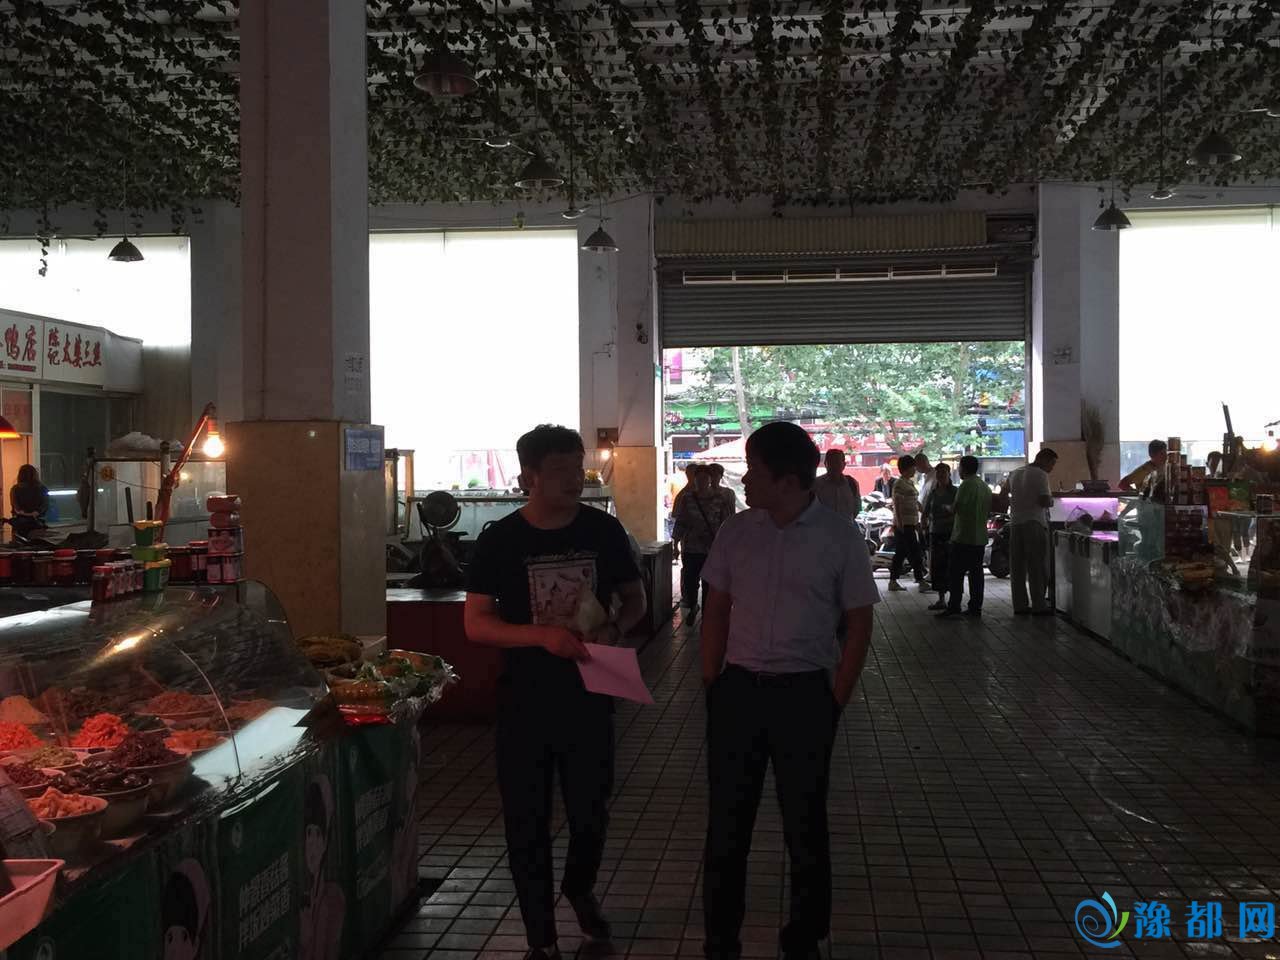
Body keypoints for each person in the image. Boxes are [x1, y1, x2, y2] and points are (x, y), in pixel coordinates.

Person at [464, 424, 647, 960]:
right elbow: (477, 623)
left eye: (578, 468)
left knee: (591, 812)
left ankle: (579, 886)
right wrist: (541, 636)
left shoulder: (603, 531)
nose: (574, 480)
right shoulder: (500, 540)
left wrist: (615, 628)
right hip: (524, 701)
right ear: (529, 477)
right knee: (527, 819)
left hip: (591, 696)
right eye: (561, 471)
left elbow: (635, 599)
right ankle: (540, 936)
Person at [699, 421, 878, 960]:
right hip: (739, 693)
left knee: (805, 824)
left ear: (786, 479)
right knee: (727, 824)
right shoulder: (736, 532)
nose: (745, 479)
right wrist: (712, 683)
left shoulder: (839, 537)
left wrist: (835, 699)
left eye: (754, 470)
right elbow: (715, 610)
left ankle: (804, 935)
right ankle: (720, 938)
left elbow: (859, 623)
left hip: (805, 696)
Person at [672, 462, 734, 614]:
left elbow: (726, 522)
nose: (701, 482)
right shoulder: (687, 498)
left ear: (710, 480)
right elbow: (681, 520)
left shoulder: (720, 499)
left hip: (712, 549)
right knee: (690, 581)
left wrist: (727, 546)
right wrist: (675, 543)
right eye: (698, 479)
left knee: (709, 583)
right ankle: (693, 604)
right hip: (691, 548)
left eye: (705, 478)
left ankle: (706, 615)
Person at [938, 456, 992, 619]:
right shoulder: (984, 486)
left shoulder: (966, 485)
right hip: (980, 537)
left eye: (960, 467)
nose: (958, 470)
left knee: (956, 574)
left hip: (963, 536)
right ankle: (975, 608)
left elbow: (956, 508)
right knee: (976, 575)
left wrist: (945, 508)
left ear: (964, 468)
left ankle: (954, 606)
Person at [1008, 448, 1058, 615]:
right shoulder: (1041, 474)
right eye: (1052, 463)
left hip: (1015, 523)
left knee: (1017, 567)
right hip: (1034, 522)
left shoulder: (1015, 473)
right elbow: (1044, 500)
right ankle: (1039, 605)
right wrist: (1052, 501)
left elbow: (1003, 495)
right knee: (1036, 566)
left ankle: (1019, 605)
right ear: (1044, 459)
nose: (1052, 468)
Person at [888, 455, 925, 592]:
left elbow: (914, 501)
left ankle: (893, 581)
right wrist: (899, 523)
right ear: (907, 468)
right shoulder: (899, 484)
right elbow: (897, 504)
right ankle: (920, 580)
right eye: (913, 467)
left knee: (901, 553)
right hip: (904, 524)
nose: (915, 469)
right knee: (915, 552)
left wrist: (922, 514)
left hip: (911, 522)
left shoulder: (909, 482)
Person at [922, 463, 956, 611]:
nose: (941, 475)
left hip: (951, 534)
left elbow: (958, 512)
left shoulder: (955, 492)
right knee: (937, 566)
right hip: (935, 533)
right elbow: (925, 512)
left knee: (951, 566)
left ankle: (954, 599)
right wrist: (924, 524)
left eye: (943, 472)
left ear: (949, 474)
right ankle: (941, 599)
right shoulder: (934, 492)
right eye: (938, 473)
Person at [812, 449, 860, 521]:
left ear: (844, 464)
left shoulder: (852, 483)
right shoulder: (816, 484)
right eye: (831, 462)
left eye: (837, 462)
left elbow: (856, 509)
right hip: (823, 527)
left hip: (846, 527)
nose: (834, 465)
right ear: (825, 464)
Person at [9, 464, 48, 539]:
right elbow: (44, 506)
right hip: (38, 523)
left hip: (20, 524)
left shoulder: (15, 489)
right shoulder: (42, 488)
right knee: (37, 543)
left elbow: (16, 507)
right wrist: (35, 513)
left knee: (19, 544)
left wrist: (23, 513)